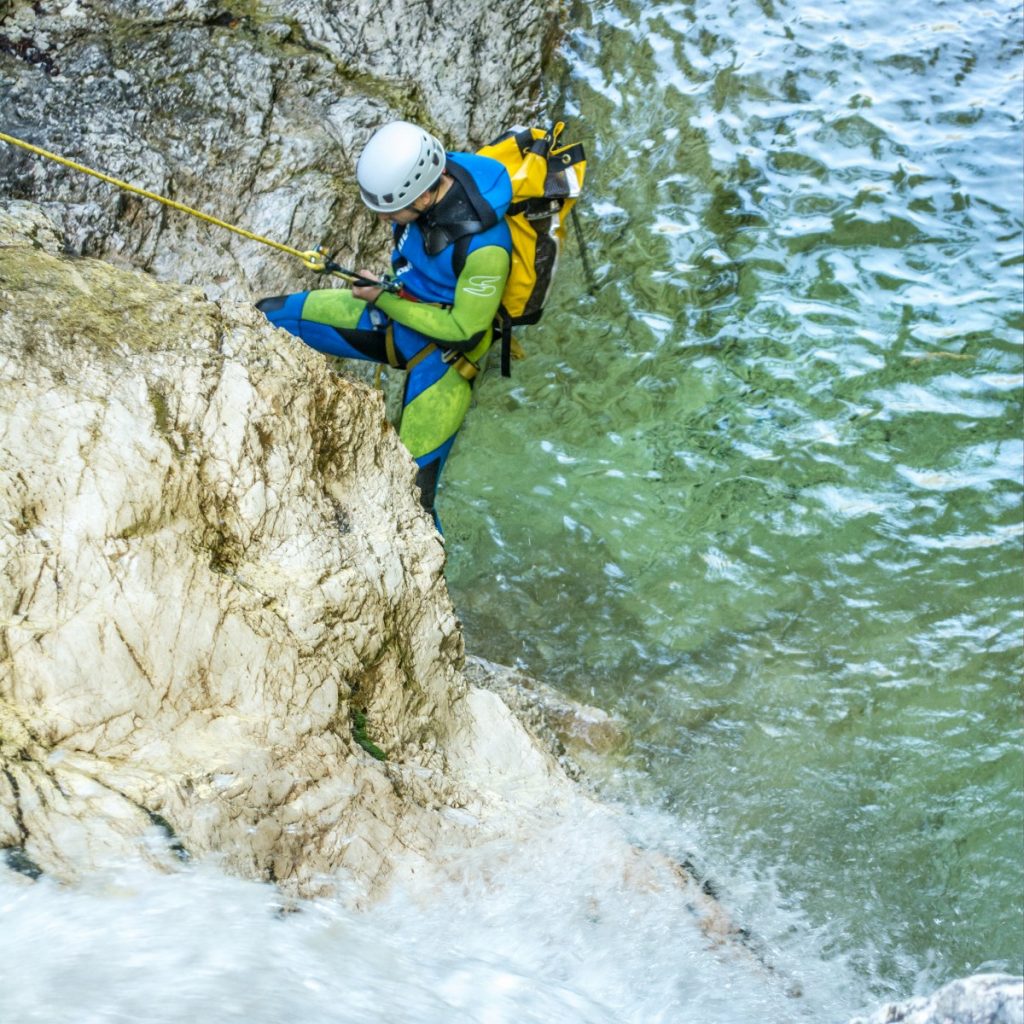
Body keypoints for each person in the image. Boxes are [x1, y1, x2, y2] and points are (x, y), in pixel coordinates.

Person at [257, 121, 513, 532]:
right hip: (397, 309)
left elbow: (464, 330)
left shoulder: (486, 248)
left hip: (445, 359)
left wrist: (383, 298)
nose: (381, 218)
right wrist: (388, 293)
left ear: (426, 193)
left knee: (412, 501)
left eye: (389, 210)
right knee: (270, 314)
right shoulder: (425, 190)